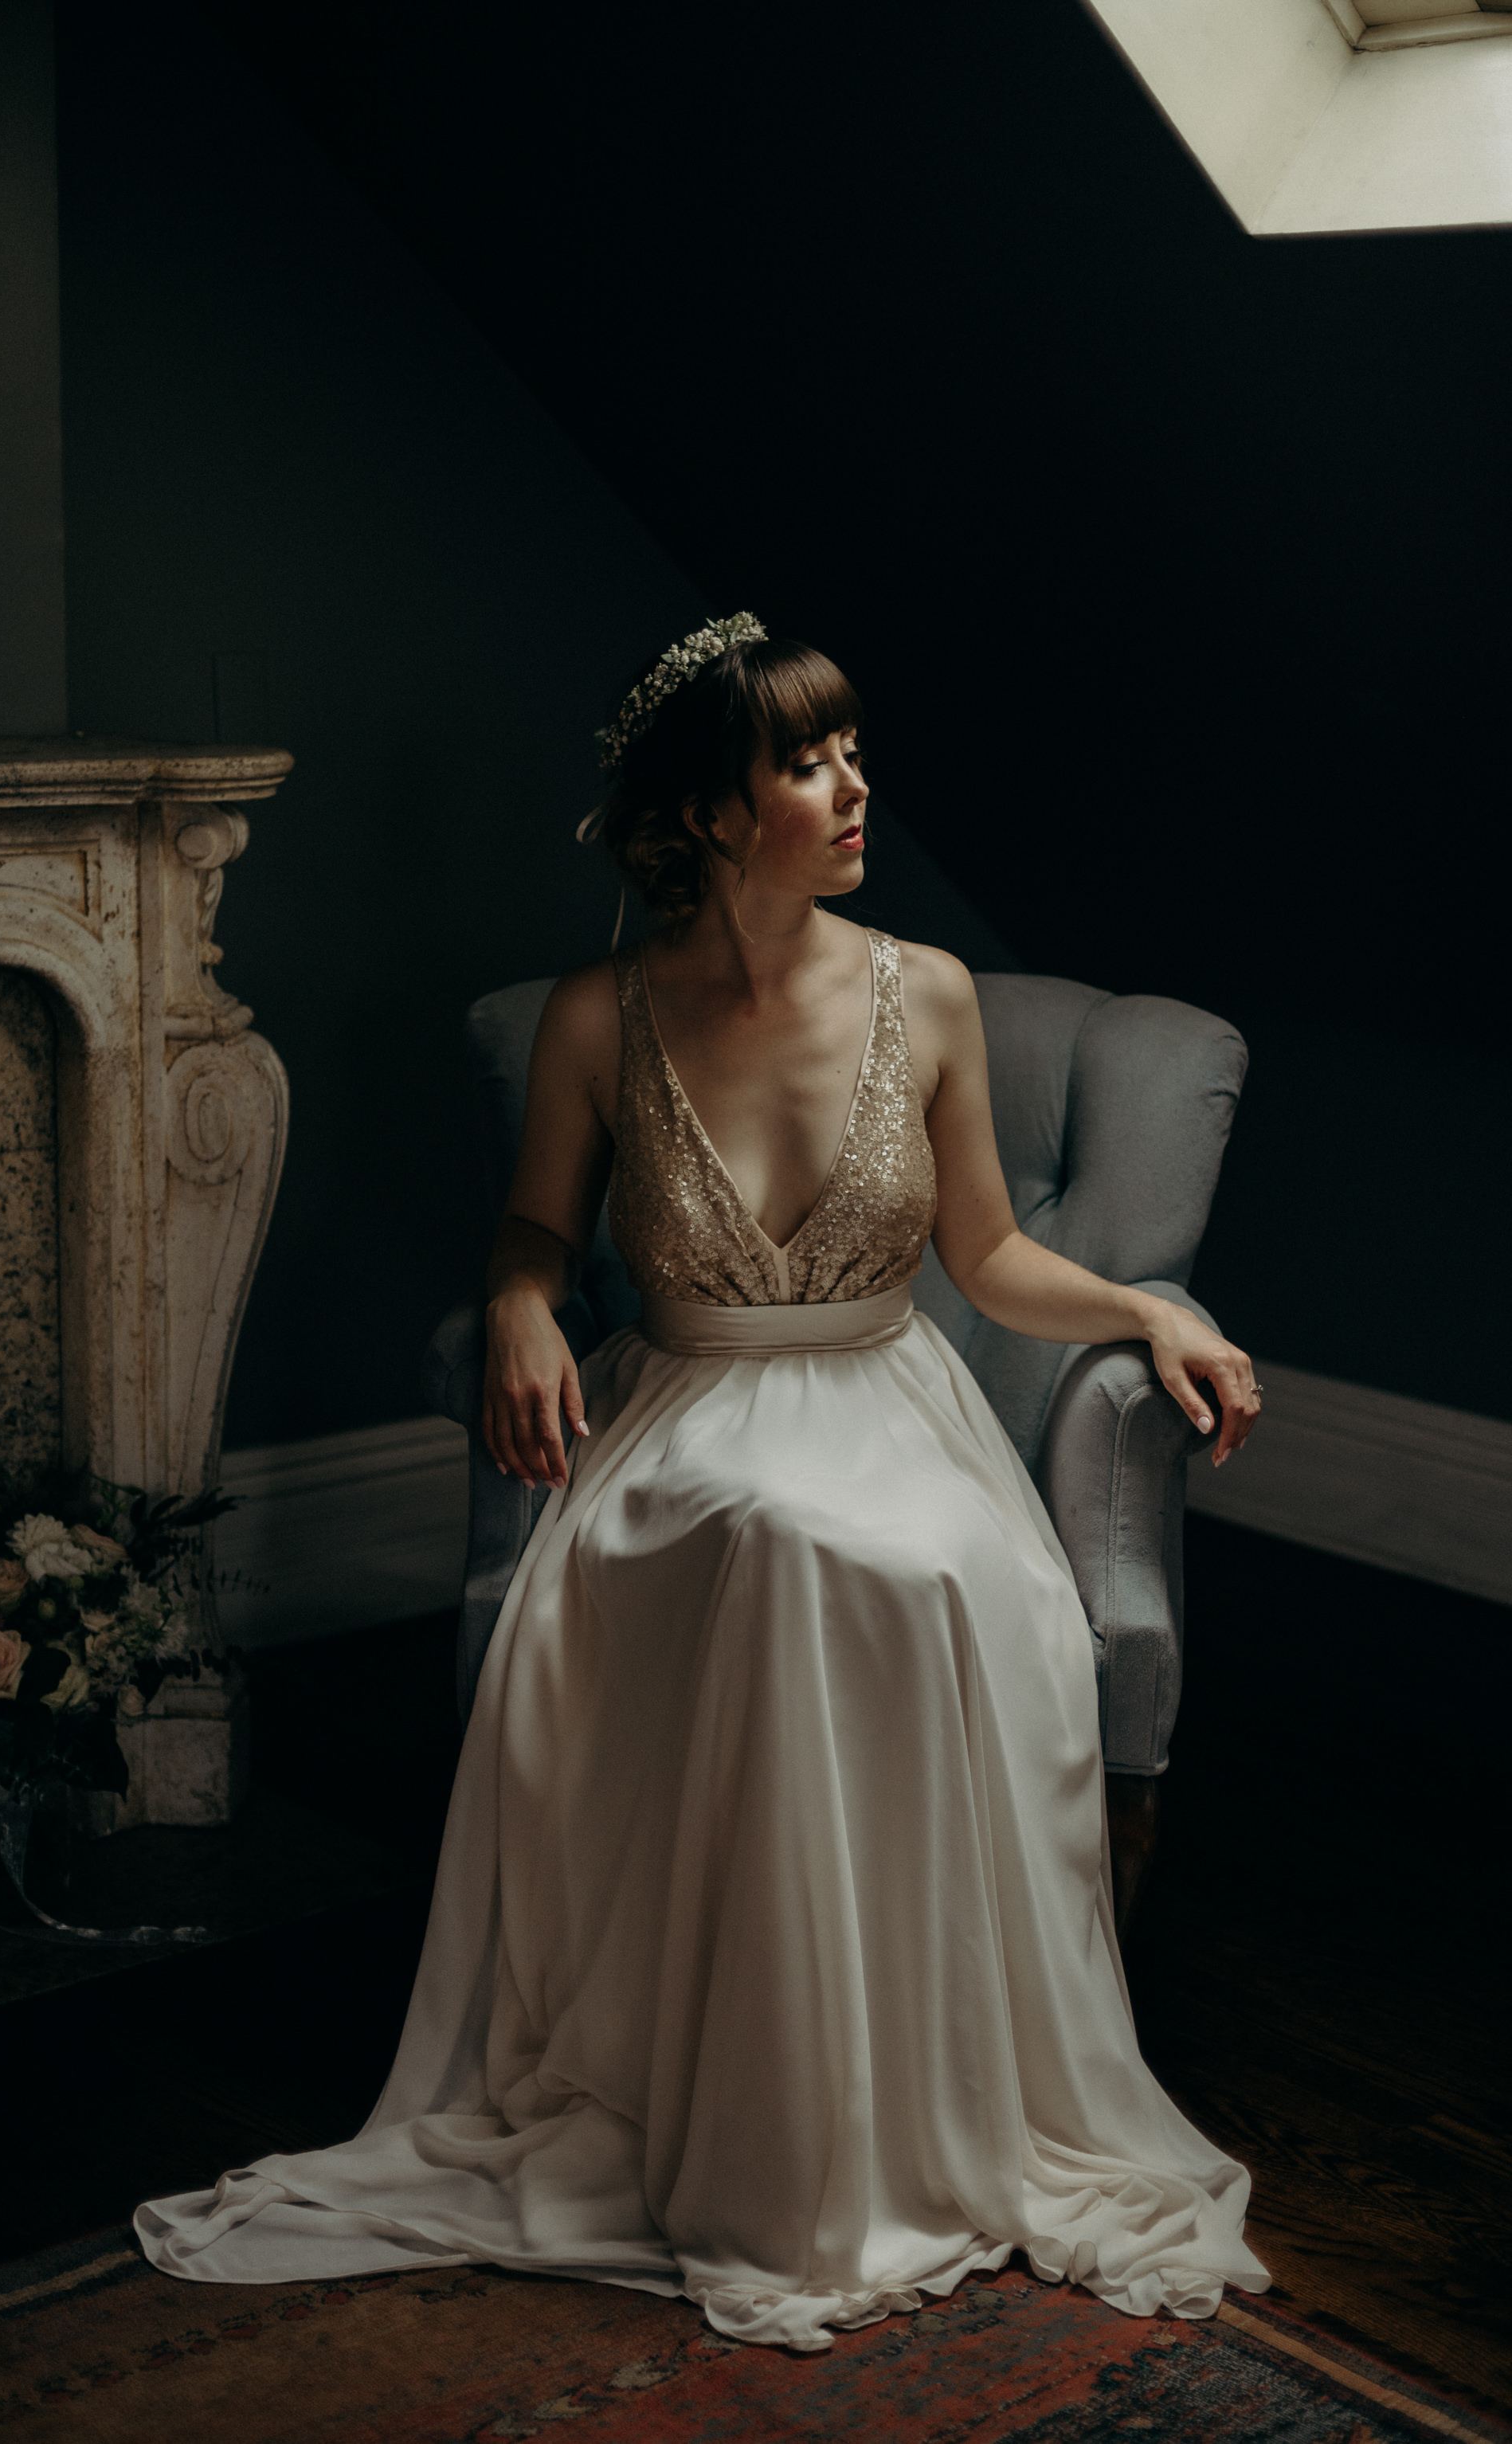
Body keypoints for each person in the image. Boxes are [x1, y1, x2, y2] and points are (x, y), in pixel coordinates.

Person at [137, 615, 1269, 2351]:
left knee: (863, 1553)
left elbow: (988, 1254)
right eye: (809, 760)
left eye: (850, 748)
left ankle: (872, 2111)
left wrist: (1146, 1307)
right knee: (760, 1538)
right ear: (716, 814)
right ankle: (738, 2107)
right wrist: (522, 1302)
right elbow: (533, 1229)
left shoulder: (932, 995)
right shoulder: (600, 1017)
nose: (854, 784)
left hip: (891, 1415)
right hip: (682, 1420)